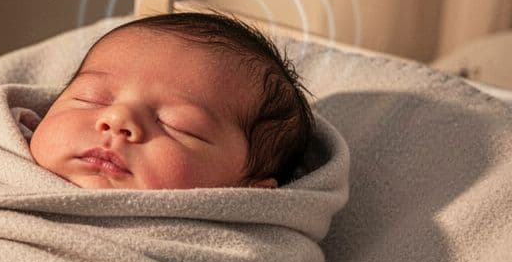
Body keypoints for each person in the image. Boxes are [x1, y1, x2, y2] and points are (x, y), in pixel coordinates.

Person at [27, 11, 314, 190]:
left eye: (177, 126)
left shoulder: (233, 257)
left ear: (247, 196)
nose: (116, 119)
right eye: (91, 98)